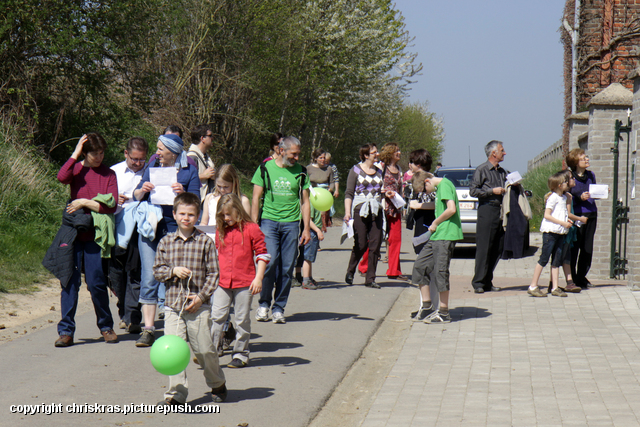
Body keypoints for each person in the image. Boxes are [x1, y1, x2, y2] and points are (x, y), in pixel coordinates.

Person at [152, 192, 227, 405]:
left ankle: (217, 383)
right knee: (173, 352)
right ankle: (176, 393)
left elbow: (214, 274)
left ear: (198, 216)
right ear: (174, 214)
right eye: (182, 214)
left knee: (204, 349)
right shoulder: (166, 242)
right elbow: (157, 271)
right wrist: (173, 270)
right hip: (173, 306)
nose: (186, 218)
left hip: (198, 307)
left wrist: (201, 297)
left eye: (191, 214)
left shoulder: (205, 242)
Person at [51, 133, 119, 347]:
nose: (99, 157)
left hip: (95, 236)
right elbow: (62, 177)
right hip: (73, 235)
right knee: (69, 282)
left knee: (97, 283)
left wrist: (82, 202)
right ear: (85, 153)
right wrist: (75, 154)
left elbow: (111, 205)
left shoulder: (109, 174)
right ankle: (66, 332)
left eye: (102, 153)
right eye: (94, 154)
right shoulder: (77, 170)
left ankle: (106, 326)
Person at [133, 133, 201, 347]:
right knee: (149, 276)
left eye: (161, 149)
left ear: (173, 152)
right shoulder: (152, 164)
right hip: (151, 228)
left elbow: (196, 201)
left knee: (179, 275)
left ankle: (183, 324)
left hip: (174, 229)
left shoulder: (189, 170)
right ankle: (149, 329)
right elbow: (136, 195)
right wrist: (142, 190)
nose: (157, 153)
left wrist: (184, 192)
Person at [251, 136, 311, 324]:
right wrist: (253, 226)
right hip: (269, 221)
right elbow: (255, 198)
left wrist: (306, 229)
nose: (296, 158)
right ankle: (264, 304)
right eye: (293, 154)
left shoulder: (301, 172)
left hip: (292, 223)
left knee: (287, 268)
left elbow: (306, 202)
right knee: (269, 262)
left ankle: (279, 308)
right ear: (282, 150)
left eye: (298, 154)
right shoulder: (265, 168)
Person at [211, 194, 270, 368]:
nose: (226, 218)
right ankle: (211, 352)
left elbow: (262, 254)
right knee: (216, 316)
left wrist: (258, 278)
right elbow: (214, 253)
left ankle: (240, 353)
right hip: (222, 282)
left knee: (241, 318)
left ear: (238, 210)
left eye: (228, 214)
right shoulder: (220, 229)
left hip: (245, 282)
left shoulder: (251, 228)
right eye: (222, 215)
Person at [410, 171, 463, 323]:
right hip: (437, 236)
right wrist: (420, 205)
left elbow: (451, 209)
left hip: (446, 235)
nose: (426, 192)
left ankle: (444, 312)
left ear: (427, 181)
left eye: (424, 190)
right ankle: (427, 306)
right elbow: (438, 205)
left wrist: (435, 223)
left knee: (440, 272)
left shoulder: (445, 185)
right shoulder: (440, 188)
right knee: (420, 266)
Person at [110, 137, 148, 334]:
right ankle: (123, 309)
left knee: (136, 272)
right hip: (117, 228)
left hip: (139, 230)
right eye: (134, 159)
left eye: (142, 160)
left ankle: (133, 316)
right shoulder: (114, 172)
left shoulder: (149, 172)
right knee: (116, 272)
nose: (138, 164)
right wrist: (115, 200)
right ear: (126, 154)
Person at [344, 143, 384, 289]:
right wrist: (348, 212)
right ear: (366, 155)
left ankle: (370, 278)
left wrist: (387, 194)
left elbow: (381, 191)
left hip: (376, 210)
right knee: (361, 244)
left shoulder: (380, 171)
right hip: (360, 210)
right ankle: (350, 270)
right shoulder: (355, 170)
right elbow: (349, 193)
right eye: (374, 152)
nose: (377, 154)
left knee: (375, 244)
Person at [470, 140, 507, 294]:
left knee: (497, 248)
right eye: (502, 150)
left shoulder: (503, 172)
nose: (504, 153)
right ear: (494, 153)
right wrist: (493, 191)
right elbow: (473, 191)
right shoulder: (482, 170)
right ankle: (478, 282)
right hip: (487, 210)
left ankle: (487, 281)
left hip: (500, 212)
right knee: (484, 248)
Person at [528, 172, 573, 298]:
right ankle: (533, 285)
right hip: (550, 233)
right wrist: (563, 223)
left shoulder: (564, 198)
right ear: (559, 185)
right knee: (544, 258)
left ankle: (555, 287)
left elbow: (562, 213)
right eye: (565, 182)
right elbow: (547, 215)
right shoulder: (553, 198)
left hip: (560, 232)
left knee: (557, 259)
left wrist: (567, 221)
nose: (567, 184)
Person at [547, 170, 585, 294]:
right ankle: (555, 284)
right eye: (571, 178)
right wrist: (580, 219)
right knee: (559, 256)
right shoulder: (564, 196)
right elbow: (567, 213)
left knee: (566, 255)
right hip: (562, 229)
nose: (574, 180)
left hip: (568, 228)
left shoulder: (568, 195)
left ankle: (568, 282)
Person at [567, 149, 597, 289]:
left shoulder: (591, 175)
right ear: (575, 162)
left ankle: (582, 276)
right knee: (575, 247)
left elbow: (594, 191)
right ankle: (572, 278)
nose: (587, 160)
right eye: (583, 158)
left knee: (587, 248)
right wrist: (579, 198)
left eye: (587, 157)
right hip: (577, 215)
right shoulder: (570, 177)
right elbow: (566, 196)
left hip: (591, 214)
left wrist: (601, 192)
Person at [379, 143, 407, 280]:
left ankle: (394, 270)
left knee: (395, 240)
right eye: (396, 151)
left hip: (395, 209)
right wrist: (385, 192)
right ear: (389, 153)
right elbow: (374, 187)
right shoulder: (380, 168)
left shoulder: (399, 169)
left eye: (399, 150)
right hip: (382, 208)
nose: (399, 153)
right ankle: (364, 266)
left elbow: (400, 188)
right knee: (375, 238)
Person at [307, 147, 335, 231]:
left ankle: (318, 235)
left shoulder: (329, 169)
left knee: (320, 219)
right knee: (311, 217)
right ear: (315, 158)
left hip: (324, 196)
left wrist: (330, 189)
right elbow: (305, 182)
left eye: (324, 158)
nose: (323, 160)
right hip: (312, 195)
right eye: (320, 158)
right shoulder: (308, 168)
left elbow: (332, 182)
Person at [187, 124, 216, 201]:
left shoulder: (205, 156)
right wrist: (204, 175)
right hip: (198, 202)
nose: (212, 138)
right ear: (202, 138)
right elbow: (186, 178)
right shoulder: (191, 157)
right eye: (210, 136)